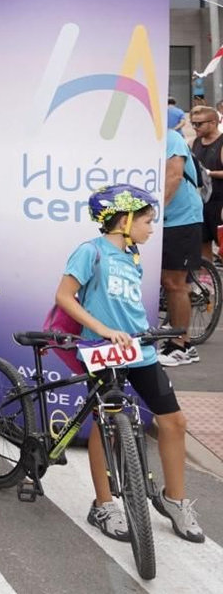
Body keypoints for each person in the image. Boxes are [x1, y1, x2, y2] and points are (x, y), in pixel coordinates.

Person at [59, 185, 203, 543]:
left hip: (139, 348)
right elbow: (64, 296)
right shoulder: (90, 252)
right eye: (147, 221)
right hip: (103, 349)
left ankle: (174, 500)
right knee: (106, 422)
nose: (152, 228)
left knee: (174, 421)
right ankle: (104, 504)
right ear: (124, 221)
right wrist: (103, 330)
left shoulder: (134, 255)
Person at [158, 107, 207, 366]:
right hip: (162, 219)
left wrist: (155, 212)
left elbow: (174, 175)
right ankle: (178, 335)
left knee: (174, 282)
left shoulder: (171, 137)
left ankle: (182, 346)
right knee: (171, 281)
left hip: (181, 218)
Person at [190, 105, 223, 264]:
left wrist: (210, 173)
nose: (195, 127)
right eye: (193, 123)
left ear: (213, 123)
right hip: (201, 204)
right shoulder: (194, 142)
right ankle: (209, 283)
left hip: (220, 203)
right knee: (203, 245)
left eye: (199, 124)